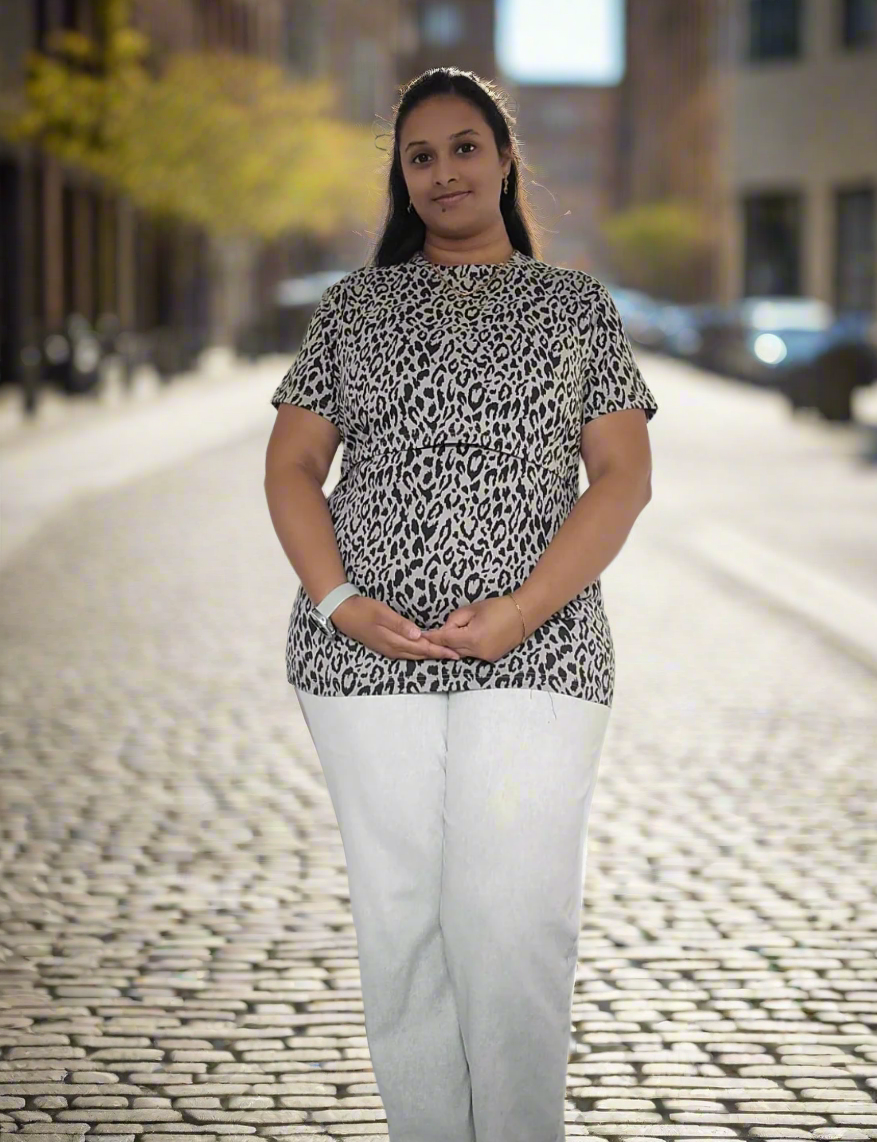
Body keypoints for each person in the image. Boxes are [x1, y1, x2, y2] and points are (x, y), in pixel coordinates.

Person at [264, 66, 658, 1142]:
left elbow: (620, 476)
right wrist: (339, 599)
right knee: (401, 921)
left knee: (512, 918)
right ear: (401, 177)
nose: (443, 171)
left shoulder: (572, 305)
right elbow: (293, 465)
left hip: (541, 652)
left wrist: (520, 610)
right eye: (420, 155)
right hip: (361, 660)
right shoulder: (352, 307)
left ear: (502, 158)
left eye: (463, 147)